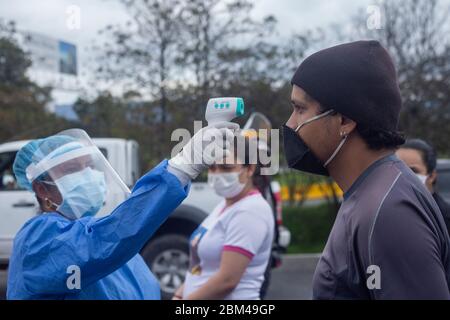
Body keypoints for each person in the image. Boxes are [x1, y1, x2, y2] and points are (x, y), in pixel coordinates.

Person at [282, 40, 450, 299]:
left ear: (345, 120)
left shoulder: (390, 212)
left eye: (300, 109)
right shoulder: (370, 191)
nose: (290, 124)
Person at [7, 123, 237, 300]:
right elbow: (108, 239)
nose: (88, 175)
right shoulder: (38, 238)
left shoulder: (93, 231)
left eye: (90, 166)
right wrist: (181, 168)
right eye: (72, 169)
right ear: (40, 188)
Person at [172, 136, 274, 300]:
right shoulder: (225, 205)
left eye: (226, 167)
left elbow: (227, 281)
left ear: (249, 169)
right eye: (212, 168)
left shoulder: (250, 211)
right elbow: (201, 267)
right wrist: (179, 294)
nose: (217, 174)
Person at [396, 139, 450, 234]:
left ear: (432, 176)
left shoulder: (445, 218)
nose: (402, 175)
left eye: (413, 171)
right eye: (397, 169)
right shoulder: (385, 212)